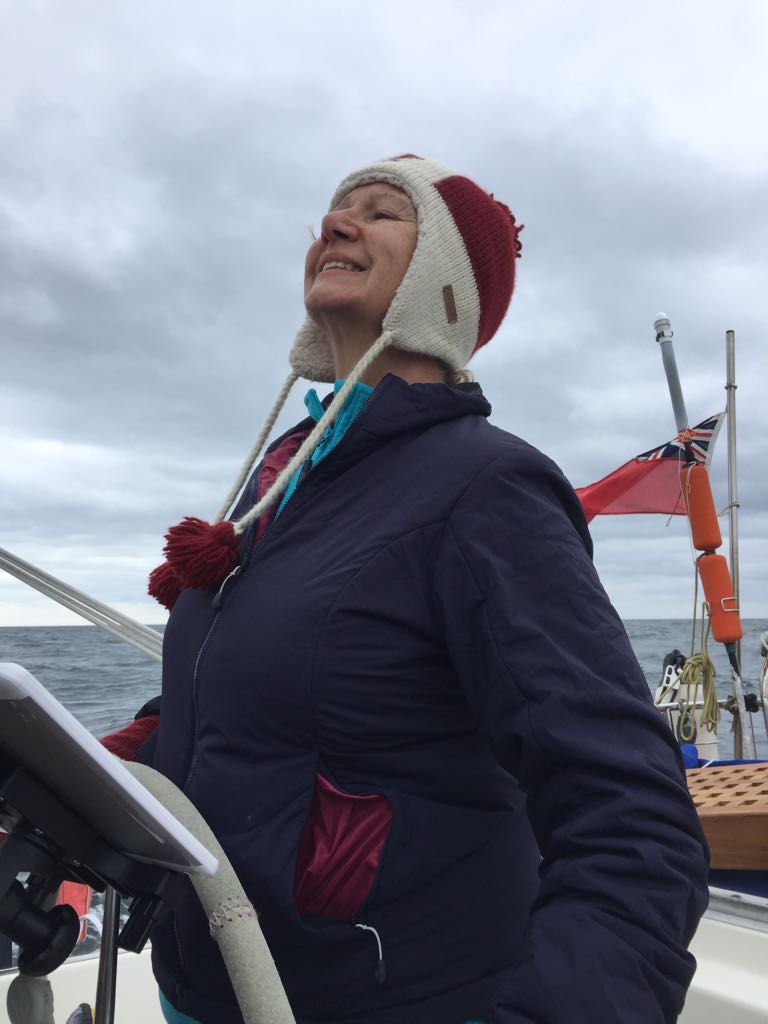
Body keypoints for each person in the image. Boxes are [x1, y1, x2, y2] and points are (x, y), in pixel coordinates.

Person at [105, 155, 709, 1024]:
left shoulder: (487, 488)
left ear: (444, 283)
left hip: (388, 996)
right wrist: (96, 765)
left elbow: (631, 813)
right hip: (207, 987)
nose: (335, 224)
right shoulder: (284, 482)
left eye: (382, 212)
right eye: (334, 208)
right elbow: (238, 709)